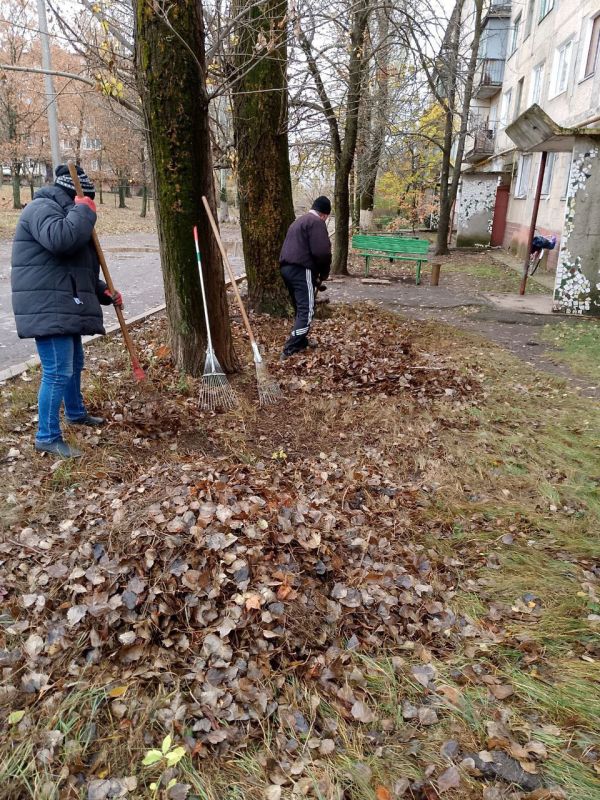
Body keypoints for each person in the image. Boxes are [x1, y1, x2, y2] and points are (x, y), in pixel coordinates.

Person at [11, 164, 123, 459]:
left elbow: (77, 268)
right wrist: (84, 211)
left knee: (74, 362)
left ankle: (75, 412)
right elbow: (60, 240)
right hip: (46, 305)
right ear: (73, 194)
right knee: (58, 370)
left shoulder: (67, 216)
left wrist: (103, 292)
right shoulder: (42, 209)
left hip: (62, 301)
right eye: (86, 198)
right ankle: (46, 436)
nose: (89, 204)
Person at [279, 196, 332, 358]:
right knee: (307, 310)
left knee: (299, 307)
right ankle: (290, 349)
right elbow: (322, 252)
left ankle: (301, 341)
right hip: (302, 269)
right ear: (324, 214)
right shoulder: (316, 223)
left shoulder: (298, 222)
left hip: (286, 268)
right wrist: (324, 272)